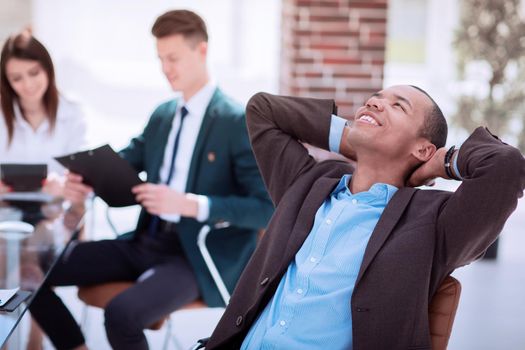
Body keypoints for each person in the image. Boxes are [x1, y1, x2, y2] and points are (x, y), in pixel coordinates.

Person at [204, 85, 525, 349]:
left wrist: (442, 163)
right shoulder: (307, 184)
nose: (375, 102)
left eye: (398, 106)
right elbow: (263, 110)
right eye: (376, 99)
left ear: (423, 149)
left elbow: (507, 167)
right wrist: (355, 138)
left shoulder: (433, 221)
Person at [28, 9, 273, 350]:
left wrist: (190, 204)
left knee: (121, 315)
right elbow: (123, 163)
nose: (165, 69)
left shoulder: (235, 121)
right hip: (147, 240)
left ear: (201, 51)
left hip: (196, 255)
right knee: (29, 271)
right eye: (160, 59)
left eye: (173, 58)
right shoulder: (162, 116)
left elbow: (265, 208)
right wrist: (83, 180)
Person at [0, 30, 86, 196]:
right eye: (16, 78)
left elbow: (83, 181)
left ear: (48, 69)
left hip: (57, 214)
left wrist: (63, 187)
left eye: (34, 73)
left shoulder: (73, 113)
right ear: (7, 81)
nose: (28, 84)